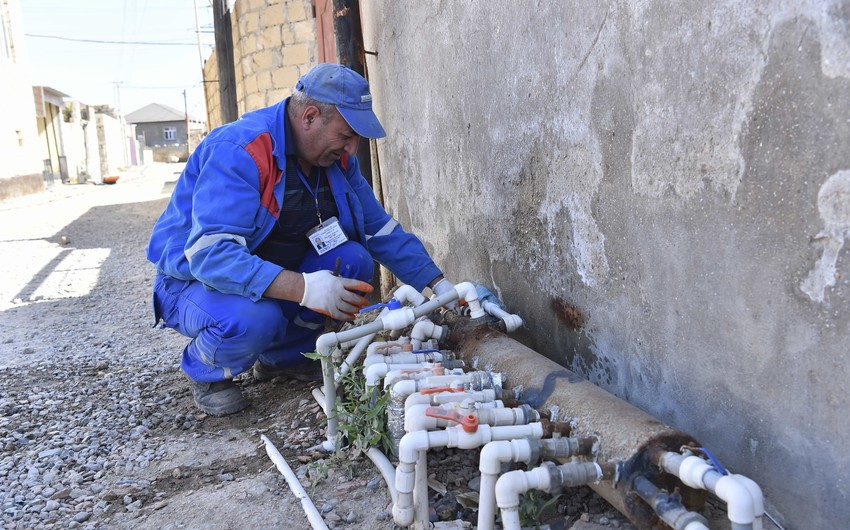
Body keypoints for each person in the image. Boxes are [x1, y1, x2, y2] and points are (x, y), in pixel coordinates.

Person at [147, 63, 456, 416]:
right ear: (310, 116)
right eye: (346, 135)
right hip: (193, 280)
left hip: (267, 268)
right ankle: (207, 369)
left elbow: (378, 229)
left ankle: (283, 359)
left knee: (352, 261)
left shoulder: (335, 161)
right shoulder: (240, 150)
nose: (351, 150)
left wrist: (442, 286)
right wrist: (305, 289)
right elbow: (211, 255)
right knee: (254, 318)